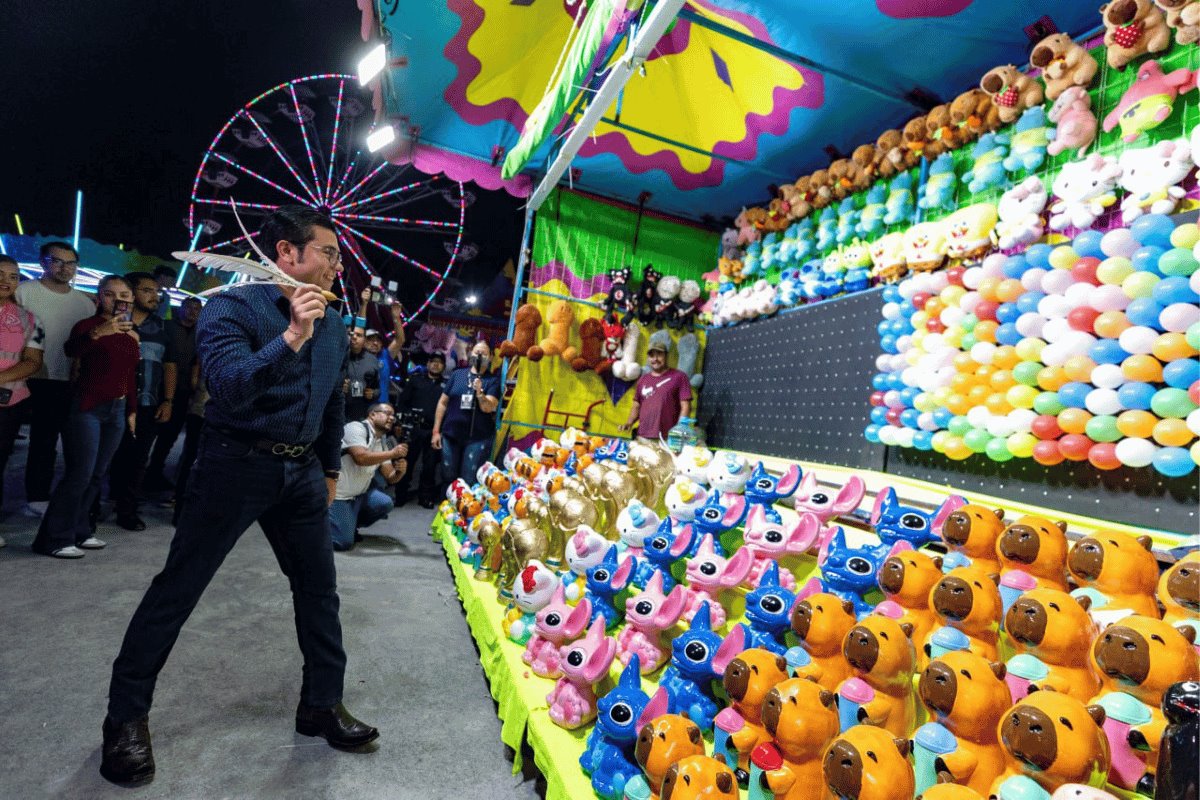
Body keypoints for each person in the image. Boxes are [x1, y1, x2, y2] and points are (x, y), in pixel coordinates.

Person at [104, 205, 376, 787]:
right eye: (326, 252)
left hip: (302, 475)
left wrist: (329, 470)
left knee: (319, 593)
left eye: (335, 254)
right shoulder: (233, 306)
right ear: (286, 253)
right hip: (234, 466)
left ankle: (320, 704)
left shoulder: (332, 320)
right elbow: (227, 387)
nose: (335, 264)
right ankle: (124, 721)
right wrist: (290, 336)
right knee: (178, 590)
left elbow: (330, 401)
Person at [31, 275, 139, 559]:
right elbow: (70, 351)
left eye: (125, 294)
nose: (119, 300)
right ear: (99, 297)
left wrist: (131, 410)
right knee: (79, 473)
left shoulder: (132, 333)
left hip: (116, 410)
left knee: (96, 475)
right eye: (110, 294)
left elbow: (129, 375)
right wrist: (97, 333)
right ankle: (53, 539)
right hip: (87, 406)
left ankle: (80, 531)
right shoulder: (88, 326)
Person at [15, 241, 97, 515]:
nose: (65, 268)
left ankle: (37, 497)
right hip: (21, 376)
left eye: (71, 263)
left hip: (63, 380)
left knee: (46, 441)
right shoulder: (24, 292)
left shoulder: (85, 304)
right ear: (42, 262)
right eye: (57, 261)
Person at [107, 271, 177, 531]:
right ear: (131, 293)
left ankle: (128, 510)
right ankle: (93, 506)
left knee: (137, 459)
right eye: (147, 290)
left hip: (148, 402)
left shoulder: (161, 328)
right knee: (106, 456)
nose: (155, 296)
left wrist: (168, 400)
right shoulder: (111, 322)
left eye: (156, 291)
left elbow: (169, 365)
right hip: (112, 400)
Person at [0, 256, 46, 543]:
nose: (6, 280)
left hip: (8, 403)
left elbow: (32, 362)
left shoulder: (29, 319)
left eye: (13, 276)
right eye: (0, 274)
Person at [327, 403, 407, 551]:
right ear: (372, 414)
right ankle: (323, 524)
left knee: (385, 503)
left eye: (393, 416)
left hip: (359, 495)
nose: (391, 418)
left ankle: (349, 524)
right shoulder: (355, 428)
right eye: (387, 413)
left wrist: (400, 472)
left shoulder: (382, 440)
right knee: (342, 543)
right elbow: (361, 458)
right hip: (338, 495)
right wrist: (393, 454)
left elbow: (390, 476)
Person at [144, 296, 202, 493]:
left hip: (184, 390)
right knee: (149, 433)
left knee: (169, 437)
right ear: (181, 308)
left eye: (197, 308)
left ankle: (154, 472)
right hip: (159, 387)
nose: (193, 312)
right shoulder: (166, 326)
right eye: (190, 307)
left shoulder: (200, 333)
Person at [432, 340, 499, 485]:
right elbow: (442, 403)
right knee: (447, 473)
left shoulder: (493, 380)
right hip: (451, 435)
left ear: (492, 357)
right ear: (470, 353)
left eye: (484, 353)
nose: (479, 356)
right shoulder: (457, 375)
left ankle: (464, 507)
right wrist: (436, 431)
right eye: (476, 352)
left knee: (469, 478)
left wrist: (480, 393)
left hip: (477, 438)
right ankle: (447, 504)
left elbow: (489, 407)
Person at [395, 352, 446, 508]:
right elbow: (402, 402)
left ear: (443, 366)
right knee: (407, 463)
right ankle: (400, 495)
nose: (436, 364)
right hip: (413, 428)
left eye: (439, 362)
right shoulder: (415, 381)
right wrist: (400, 423)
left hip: (433, 431)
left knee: (429, 467)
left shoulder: (446, 386)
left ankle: (425, 497)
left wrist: (441, 431)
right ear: (428, 363)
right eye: (433, 361)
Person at [619, 338, 692, 443]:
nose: (655, 359)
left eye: (659, 355)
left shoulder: (679, 377)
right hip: (642, 436)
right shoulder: (643, 379)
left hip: (668, 438)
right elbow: (636, 405)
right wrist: (629, 422)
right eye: (652, 356)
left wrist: (679, 431)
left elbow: (686, 406)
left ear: (666, 356)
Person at [343, 326, 381, 422]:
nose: (354, 337)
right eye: (350, 334)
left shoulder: (372, 361)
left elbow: (377, 389)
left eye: (359, 335)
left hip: (359, 414)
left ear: (365, 340)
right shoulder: (337, 355)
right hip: (336, 409)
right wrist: (338, 386)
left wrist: (372, 394)